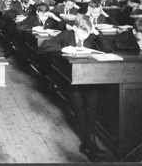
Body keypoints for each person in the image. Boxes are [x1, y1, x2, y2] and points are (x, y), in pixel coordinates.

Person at [40, 15, 114, 162]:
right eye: (82, 32)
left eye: (87, 32)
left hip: (89, 77)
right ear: (74, 28)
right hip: (70, 78)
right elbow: (45, 46)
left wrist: (96, 32)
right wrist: (64, 48)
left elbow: (109, 49)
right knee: (77, 98)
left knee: (93, 98)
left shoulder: (91, 36)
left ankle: (88, 141)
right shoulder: (66, 35)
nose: (85, 35)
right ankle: (90, 142)